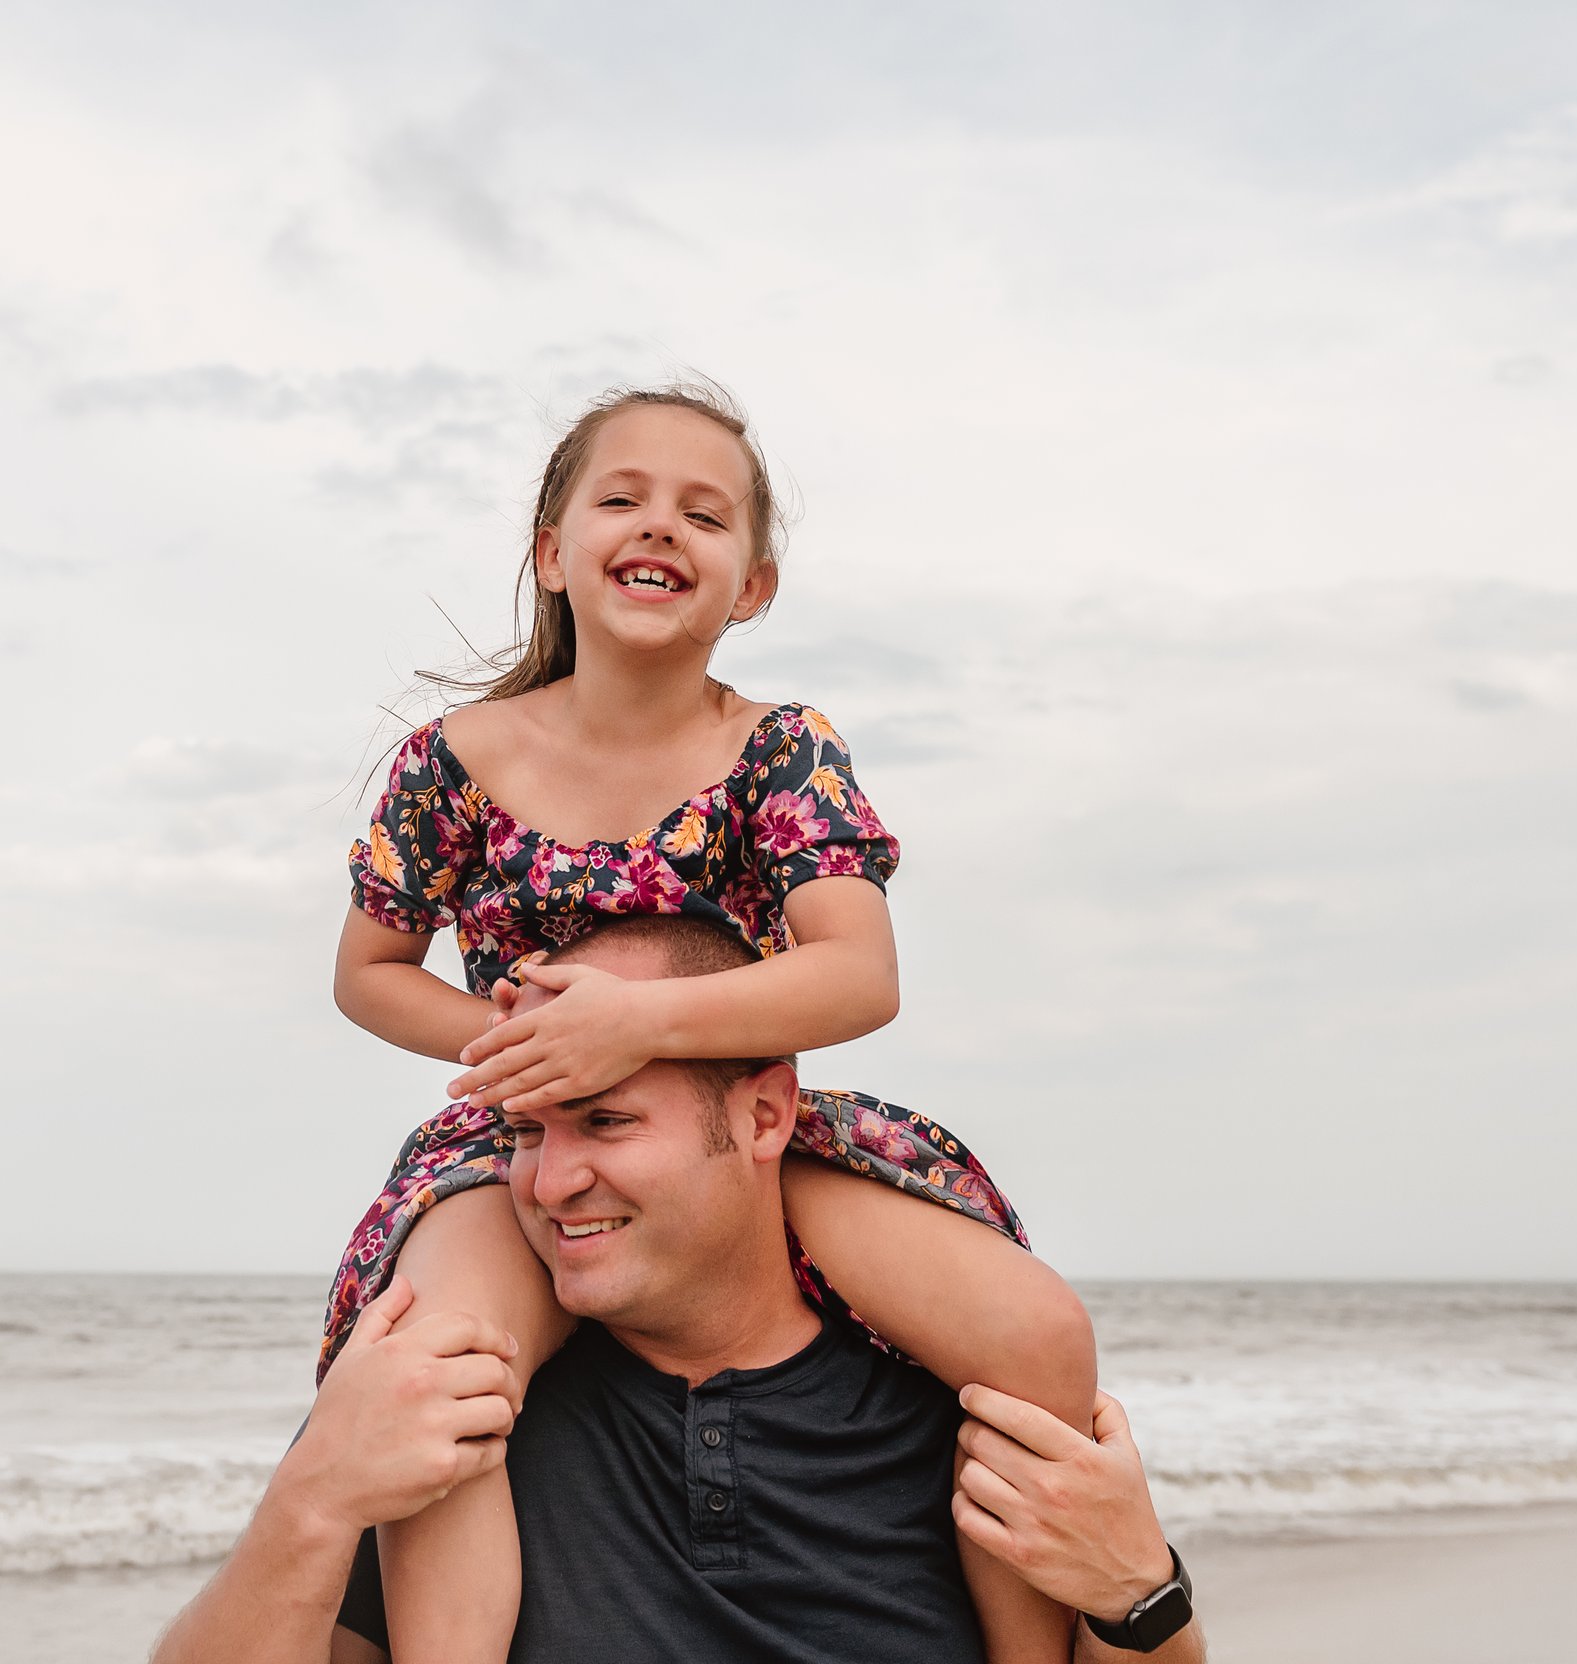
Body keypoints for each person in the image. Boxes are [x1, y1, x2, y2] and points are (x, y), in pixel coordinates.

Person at [326, 383, 1094, 1660]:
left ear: (753, 584)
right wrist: (527, 1052)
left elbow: (858, 976)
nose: (660, 526)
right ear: (551, 551)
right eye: (620, 498)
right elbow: (369, 970)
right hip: (521, 1128)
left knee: (1033, 1328)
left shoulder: (780, 750)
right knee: (441, 1368)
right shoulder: (450, 759)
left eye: (705, 512)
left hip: (742, 1130)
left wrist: (639, 1027)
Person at [157, 916, 1203, 1664]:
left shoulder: (947, 1393)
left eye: (606, 1121)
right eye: (522, 1130)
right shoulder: (446, 1394)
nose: (549, 1179)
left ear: (761, 1119)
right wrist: (308, 1503)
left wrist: (1141, 1596)